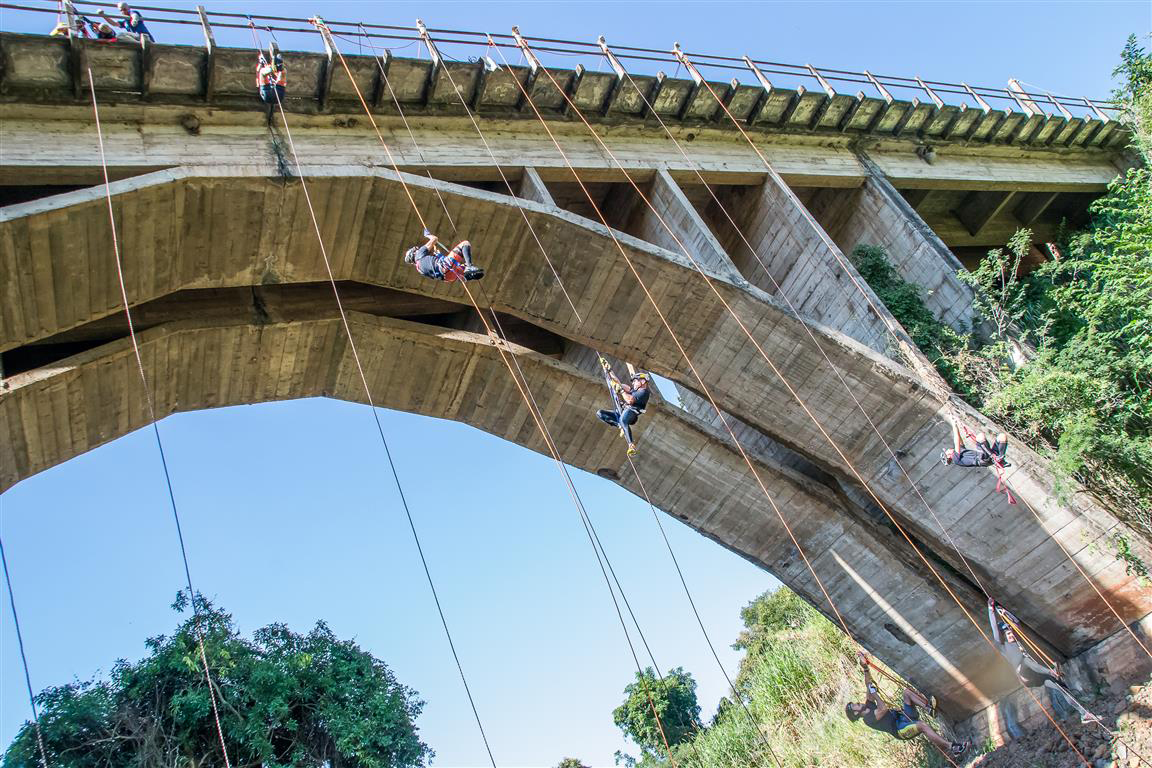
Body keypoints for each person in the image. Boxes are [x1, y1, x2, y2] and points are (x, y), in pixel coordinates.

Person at [987, 599, 1100, 723]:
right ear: (1003, 636)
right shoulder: (1002, 647)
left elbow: (1017, 623)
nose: (1010, 634)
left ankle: (1084, 714)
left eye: (1010, 632)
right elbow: (994, 629)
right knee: (1025, 661)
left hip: (1038, 674)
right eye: (1007, 633)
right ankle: (1051, 671)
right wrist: (991, 610)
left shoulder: (1019, 640)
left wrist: (1005, 612)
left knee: (1062, 688)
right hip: (1026, 676)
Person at [845, 652, 969, 758]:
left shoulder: (868, 705)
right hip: (900, 730)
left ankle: (929, 709)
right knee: (922, 726)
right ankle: (953, 748)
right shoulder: (868, 719)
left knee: (907, 692)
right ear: (856, 713)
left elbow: (868, 684)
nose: (857, 702)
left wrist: (865, 667)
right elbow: (883, 708)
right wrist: (875, 694)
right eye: (854, 705)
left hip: (903, 717)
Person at [596, 361, 650, 457]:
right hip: (624, 411)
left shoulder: (644, 392)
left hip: (632, 413)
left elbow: (630, 400)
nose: (633, 383)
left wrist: (621, 391)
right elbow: (619, 383)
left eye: (635, 381)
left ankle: (631, 445)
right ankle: (619, 426)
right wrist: (609, 371)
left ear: (642, 381)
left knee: (623, 420)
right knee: (600, 413)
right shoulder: (634, 390)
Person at [403, 231, 485, 283]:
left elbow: (434, 269)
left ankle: (467, 275)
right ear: (413, 254)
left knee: (461, 266)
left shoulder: (420, 269)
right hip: (446, 266)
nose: (417, 249)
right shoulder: (419, 254)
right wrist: (428, 235)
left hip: (448, 277)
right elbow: (434, 239)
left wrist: (438, 256)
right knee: (465, 243)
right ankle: (469, 267)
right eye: (415, 250)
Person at [941, 416, 1009, 468]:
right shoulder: (956, 459)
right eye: (946, 451)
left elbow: (959, 440)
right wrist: (954, 425)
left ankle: (1000, 459)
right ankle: (996, 459)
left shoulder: (960, 452)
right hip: (982, 458)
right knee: (980, 436)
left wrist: (956, 424)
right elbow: (956, 441)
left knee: (1002, 436)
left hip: (986, 455)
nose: (947, 449)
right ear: (948, 456)